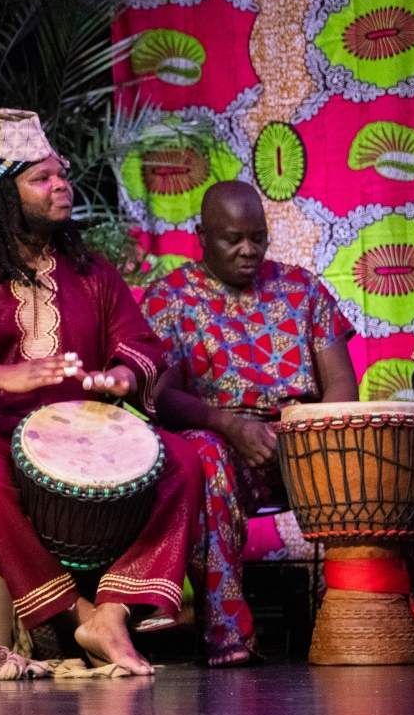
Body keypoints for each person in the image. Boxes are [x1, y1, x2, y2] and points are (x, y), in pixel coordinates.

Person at [0, 101, 203, 677]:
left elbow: (139, 341)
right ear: (4, 195)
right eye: (42, 178)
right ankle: (74, 614)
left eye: (62, 173)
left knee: (182, 460)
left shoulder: (89, 271)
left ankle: (113, 609)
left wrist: (123, 376)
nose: (62, 185)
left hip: (80, 429)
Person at [142, 180, 357, 666]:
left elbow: (342, 382)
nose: (248, 250)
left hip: (303, 448)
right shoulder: (172, 298)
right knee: (204, 452)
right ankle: (227, 635)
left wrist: (304, 434)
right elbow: (159, 396)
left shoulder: (302, 290)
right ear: (201, 235)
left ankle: (373, 621)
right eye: (232, 238)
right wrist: (230, 425)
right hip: (222, 451)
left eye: (257, 237)